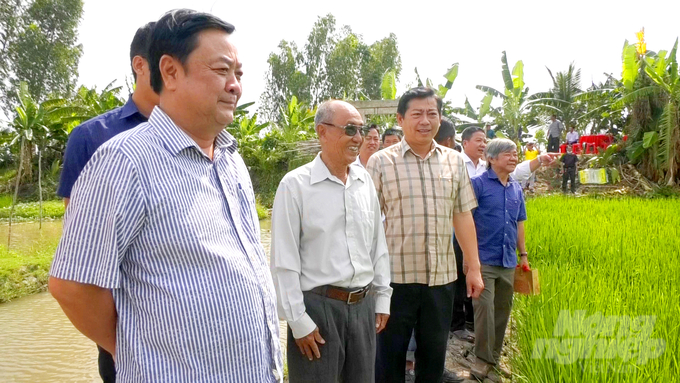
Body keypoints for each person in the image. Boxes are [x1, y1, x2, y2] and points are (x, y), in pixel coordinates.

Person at [48, 9, 282, 382]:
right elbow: (74, 286)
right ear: (170, 71)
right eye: (222, 71)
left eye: (238, 74)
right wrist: (139, 351)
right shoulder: (124, 162)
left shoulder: (230, 159)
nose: (235, 85)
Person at [55, 21, 159, 383]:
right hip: (123, 317)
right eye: (166, 63)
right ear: (140, 66)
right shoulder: (92, 137)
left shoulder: (200, 136)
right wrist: (116, 342)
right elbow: (79, 241)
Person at [368, 87, 484, 383]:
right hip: (395, 280)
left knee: (432, 360)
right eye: (417, 114)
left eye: (431, 113)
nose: (425, 120)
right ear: (401, 118)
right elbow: (366, 222)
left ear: (440, 117)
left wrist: (473, 267)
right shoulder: (381, 162)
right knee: (388, 360)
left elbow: (462, 215)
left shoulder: (454, 161)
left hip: (441, 281)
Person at [271, 100, 392, 382]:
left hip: (363, 308)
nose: (359, 138)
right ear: (322, 132)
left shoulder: (364, 183)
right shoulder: (295, 186)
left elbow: (378, 247)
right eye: (350, 129)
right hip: (318, 311)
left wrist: (382, 298)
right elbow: (283, 261)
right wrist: (298, 321)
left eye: (360, 130)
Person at [469, 139, 530, 382]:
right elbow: (465, 222)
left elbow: (519, 222)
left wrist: (523, 255)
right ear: (491, 159)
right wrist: (469, 260)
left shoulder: (516, 188)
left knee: (503, 311)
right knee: (484, 310)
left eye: (515, 154)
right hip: (483, 259)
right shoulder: (478, 185)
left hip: (507, 260)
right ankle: (481, 361)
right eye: (507, 154)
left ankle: (493, 359)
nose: (514, 158)